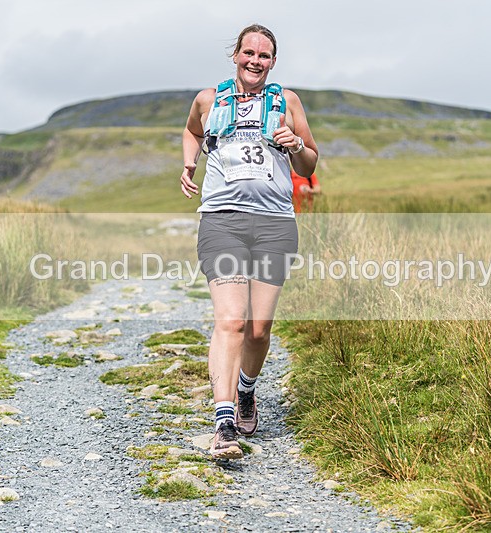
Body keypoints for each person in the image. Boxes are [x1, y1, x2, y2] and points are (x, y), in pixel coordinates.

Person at [180, 24, 318, 459]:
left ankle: (246, 390)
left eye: (264, 55)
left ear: (273, 62)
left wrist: (296, 145)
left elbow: (310, 162)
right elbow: (193, 131)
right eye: (249, 53)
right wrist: (189, 163)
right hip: (222, 222)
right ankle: (223, 424)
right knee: (231, 321)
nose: (255, 61)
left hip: (275, 225)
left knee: (258, 330)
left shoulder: (287, 102)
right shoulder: (209, 100)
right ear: (235, 55)